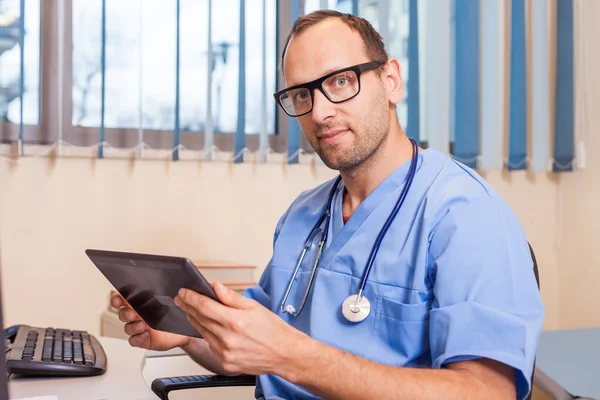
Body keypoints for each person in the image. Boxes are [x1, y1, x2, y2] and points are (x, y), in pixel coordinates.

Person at [112, 10, 544, 400]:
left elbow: (489, 391)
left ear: (390, 80)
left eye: (340, 81)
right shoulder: (303, 216)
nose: (319, 112)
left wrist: (293, 357)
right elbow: (256, 352)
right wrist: (187, 336)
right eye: (301, 94)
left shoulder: (465, 215)